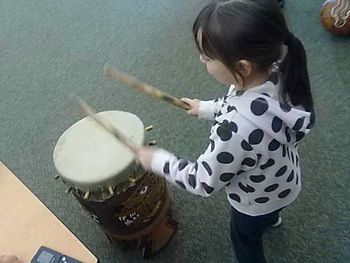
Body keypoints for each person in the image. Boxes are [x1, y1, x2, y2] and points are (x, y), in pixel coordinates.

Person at [135, 0, 315, 262]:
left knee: (244, 239)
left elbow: (203, 180)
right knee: (268, 215)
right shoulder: (277, 71)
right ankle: (272, 218)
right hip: (285, 181)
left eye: (207, 57)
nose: (201, 59)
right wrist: (205, 108)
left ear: (242, 67)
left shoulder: (235, 131)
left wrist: (158, 161)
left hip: (253, 203)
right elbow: (238, 103)